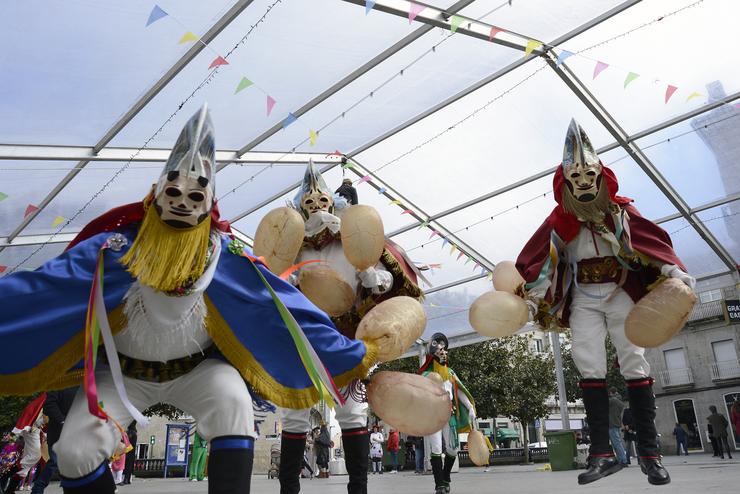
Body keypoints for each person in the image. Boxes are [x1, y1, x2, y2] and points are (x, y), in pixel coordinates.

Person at [0, 105, 378, 494]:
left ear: (208, 204)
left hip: (198, 371)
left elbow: (285, 306)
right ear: (155, 196)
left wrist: (352, 351)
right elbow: (43, 287)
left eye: (195, 195)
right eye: (174, 192)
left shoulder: (224, 257)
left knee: (234, 407)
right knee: (76, 451)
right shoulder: (115, 251)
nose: (182, 201)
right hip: (122, 374)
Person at [516, 120, 694, 486]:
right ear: (565, 181)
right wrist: (534, 297)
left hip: (621, 291)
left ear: (600, 176)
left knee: (634, 361)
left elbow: (648, 243)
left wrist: (671, 270)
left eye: (589, 175)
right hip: (583, 296)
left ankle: (650, 454)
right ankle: (602, 454)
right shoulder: (560, 222)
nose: (583, 182)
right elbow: (544, 262)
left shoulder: (620, 213)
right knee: (588, 365)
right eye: (576, 176)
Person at [274, 160, 424, 494]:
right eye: (309, 203)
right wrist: (288, 280)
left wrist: (374, 278)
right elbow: (273, 284)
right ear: (300, 208)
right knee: (296, 413)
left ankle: (358, 488)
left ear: (333, 203)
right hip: (302, 338)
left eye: (322, 201)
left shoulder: (355, 241)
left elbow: (388, 279)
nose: (316, 208)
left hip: (344, 337)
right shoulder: (292, 248)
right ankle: (288, 490)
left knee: (352, 412)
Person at [419, 333, 477, 494]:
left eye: (444, 350)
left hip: (449, 414)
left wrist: (470, 406)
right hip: (433, 415)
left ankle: (446, 478)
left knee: (453, 449)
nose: (443, 354)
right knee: (436, 448)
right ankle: (439, 485)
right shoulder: (425, 375)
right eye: (439, 351)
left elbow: (459, 391)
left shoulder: (450, 373)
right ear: (433, 355)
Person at [30, 388, 77, 494]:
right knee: (55, 462)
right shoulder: (58, 385)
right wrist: (62, 420)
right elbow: (48, 405)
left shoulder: (84, 385)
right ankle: (37, 489)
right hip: (59, 433)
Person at [608, 388, 627, 466]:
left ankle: (623, 460)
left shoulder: (612, 400)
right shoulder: (620, 401)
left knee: (616, 443)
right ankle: (621, 459)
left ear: (611, 393)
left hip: (612, 423)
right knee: (617, 443)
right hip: (617, 423)